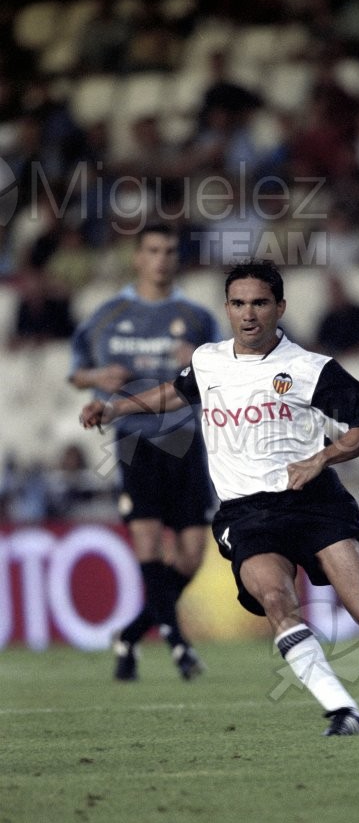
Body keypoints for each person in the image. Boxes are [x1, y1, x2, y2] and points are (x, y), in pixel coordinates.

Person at [80, 259, 359, 736]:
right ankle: (343, 711)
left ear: (280, 307)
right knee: (276, 599)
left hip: (314, 502)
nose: (248, 314)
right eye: (238, 303)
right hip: (246, 512)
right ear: (227, 308)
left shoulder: (308, 369)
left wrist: (321, 459)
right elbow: (178, 392)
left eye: (260, 303)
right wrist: (115, 408)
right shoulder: (209, 361)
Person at [70, 223, 221, 681]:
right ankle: (176, 643)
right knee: (149, 543)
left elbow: (220, 369)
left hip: (183, 438)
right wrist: (97, 378)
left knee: (192, 555)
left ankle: (131, 634)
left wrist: (197, 355)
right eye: (153, 250)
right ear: (137, 257)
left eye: (170, 250)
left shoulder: (195, 317)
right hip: (135, 440)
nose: (162, 258)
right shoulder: (107, 315)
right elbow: (76, 373)